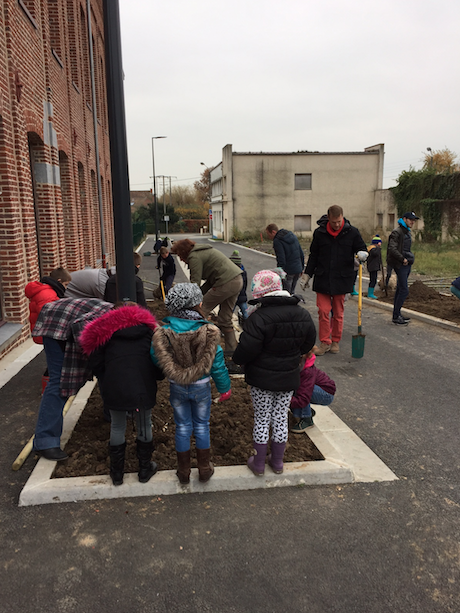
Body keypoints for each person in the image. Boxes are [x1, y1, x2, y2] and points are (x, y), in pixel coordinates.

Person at [232, 270, 316, 476]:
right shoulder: (302, 314)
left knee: (262, 419)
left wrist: (237, 361)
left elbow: (247, 348)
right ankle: (277, 462)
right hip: (288, 376)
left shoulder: (259, 318)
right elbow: (309, 343)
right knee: (280, 417)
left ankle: (259, 463)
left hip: (262, 379)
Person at [151, 283, 231, 485]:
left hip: (176, 385)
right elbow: (217, 363)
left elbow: (156, 356)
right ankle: (204, 468)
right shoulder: (209, 331)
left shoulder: (164, 332)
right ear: (197, 304)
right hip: (201, 385)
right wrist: (224, 388)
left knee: (182, 427)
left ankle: (183, 471)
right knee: (202, 425)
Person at [79, 302, 163, 486]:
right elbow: (158, 358)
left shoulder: (104, 335)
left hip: (115, 386)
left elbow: (96, 363)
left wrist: (107, 376)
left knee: (117, 425)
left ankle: (117, 474)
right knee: (144, 423)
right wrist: (156, 376)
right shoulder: (149, 332)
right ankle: (144, 468)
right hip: (142, 384)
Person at [31, 298, 113, 460]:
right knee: (60, 381)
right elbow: (80, 327)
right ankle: (45, 441)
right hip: (59, 323)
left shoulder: (132, 329)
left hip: (74, 320)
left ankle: (111, 413)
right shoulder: (112, 324)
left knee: (107, 370)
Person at [299, 205, 368, 355]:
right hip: (323, 278)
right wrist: (307, 275)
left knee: (338, 313)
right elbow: (314, 256)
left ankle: (335, 340)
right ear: (328, 218)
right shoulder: (320, 233)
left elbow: (361, 247)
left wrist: (362, 253)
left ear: (342, 217)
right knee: (323, 311)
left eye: (339, 221)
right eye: (334, 221)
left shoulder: (352, 232)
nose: (337, 224)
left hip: (342, 279)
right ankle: (325, 342)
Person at [171, 239, 243, 355]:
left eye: (179, 255)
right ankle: (233, 352)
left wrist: (188, 303)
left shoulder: (194, 256)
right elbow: (209, 281)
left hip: (225, 283)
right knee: (225, 318)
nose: (180, 258)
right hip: (236, 280)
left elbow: (194, 283)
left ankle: (194, 347)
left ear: (183, 251)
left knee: (199, 311)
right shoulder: (202, 251)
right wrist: (199, 294)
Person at [290, 348, 336, 433]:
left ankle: (307, 420)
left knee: (299, 389)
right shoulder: (301, 365)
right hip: (314, 388)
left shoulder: (306, 371)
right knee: (296, 389)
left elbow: (304, 396)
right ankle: (305, 412)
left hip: (326, 393)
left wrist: (286, 400)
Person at [387, 211, 419, 325]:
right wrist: (403, 259)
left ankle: (397, 314)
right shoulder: (397, 232)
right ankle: (396, 316)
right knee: (404, 290)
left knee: (400, 289)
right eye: (411, 220)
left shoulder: (405, 232)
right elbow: (392, 249)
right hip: (401, 265)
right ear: (404, 219)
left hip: (406, 264)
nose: (413, 222)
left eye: (414, 220)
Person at [25, 267, 72, 344]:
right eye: (65, 284)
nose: (66, 288)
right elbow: (50, 316)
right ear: (59, 281)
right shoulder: (48, 295)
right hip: (49, 334)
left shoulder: (47, 292)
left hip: (45, 333)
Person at [265, 223, 304, 294]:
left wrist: (280, 272)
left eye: (268, 234)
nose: (268, 237)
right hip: (297, 269)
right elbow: (301, 252)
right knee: (292, 292)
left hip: (288, 271)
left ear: (273, 232)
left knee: (286, 293)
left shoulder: (277, 241)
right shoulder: (292, 235)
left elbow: (281, 258)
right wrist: (302, 268)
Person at [229, 250, 248, 321]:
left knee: (246, 314)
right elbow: (245, 284)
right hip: (237, 297)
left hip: (239, 297)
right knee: (228, 314)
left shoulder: (242, 273)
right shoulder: (243, 272)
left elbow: (245, 284)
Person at [367, 235, 383, 300]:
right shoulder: (372, 249)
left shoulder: (374, 248)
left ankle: (371, 292)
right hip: (372, 267)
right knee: (373, 280)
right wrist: (378, 248)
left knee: (374, 279)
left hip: (374, 266)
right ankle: (370, 293)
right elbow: (375, 254)